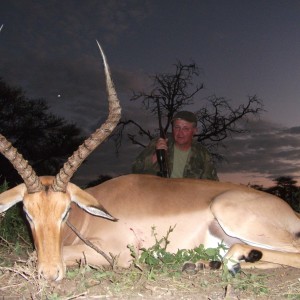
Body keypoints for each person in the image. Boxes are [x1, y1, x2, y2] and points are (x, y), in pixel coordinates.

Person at [132, 111, 218, 180]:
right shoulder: (158, 143)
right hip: (157, 196)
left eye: (185, 128)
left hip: (188, 198)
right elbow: (135, 170)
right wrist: (155, 156)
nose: (180, 133)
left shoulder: (203, 153)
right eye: (177, 127)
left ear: (195, 131)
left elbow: (211, 183)